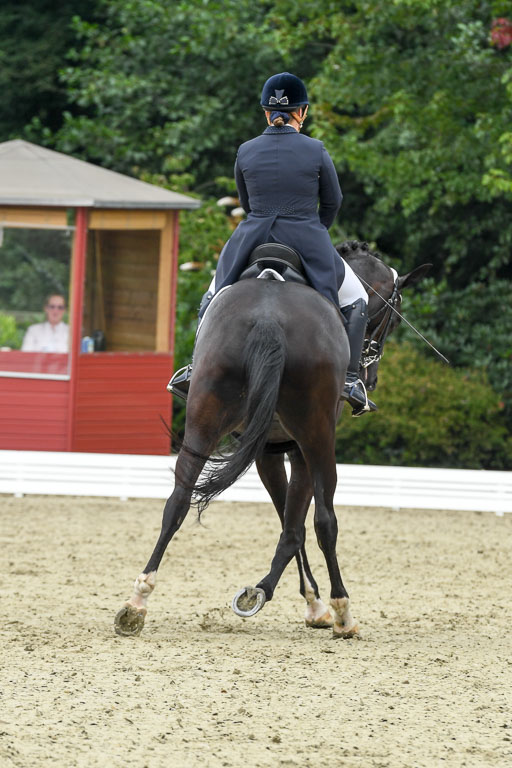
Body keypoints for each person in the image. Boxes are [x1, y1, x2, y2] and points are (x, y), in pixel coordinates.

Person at [169, 72, 376, 415]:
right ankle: (352, 380)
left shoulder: (246, 150)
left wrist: (262, 222)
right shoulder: (316, 149)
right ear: (303, 112)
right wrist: (313, 229)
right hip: (306, 235)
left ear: (266, 112)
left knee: (213, 296)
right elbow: (334, 201)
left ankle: (194, 369)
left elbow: (246, 202)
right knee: (357, 298)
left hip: (252, 236)